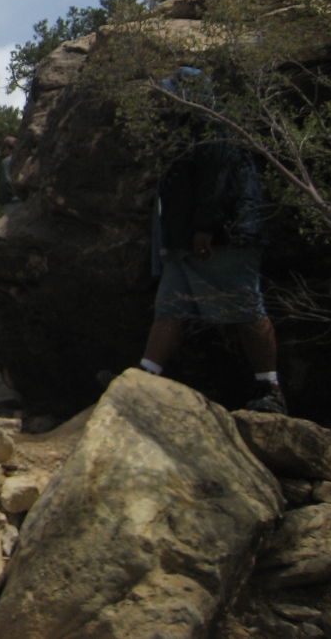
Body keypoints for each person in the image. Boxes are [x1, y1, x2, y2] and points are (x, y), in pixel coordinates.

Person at [133, 69, 283, 412]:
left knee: (246, 309)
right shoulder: (189, 124)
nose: (167, 100)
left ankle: (272, 390)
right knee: (170, 310)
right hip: (185, 244)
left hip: (222, 240)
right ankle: (141, 384)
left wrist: (206, 227)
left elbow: (217, 178)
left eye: (172, 93)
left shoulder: (212, 122)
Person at [0, 136, 18, 205]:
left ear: (7, 148)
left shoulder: (7, 162)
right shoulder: (27, 159)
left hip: (13, 202)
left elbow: (5, 182)